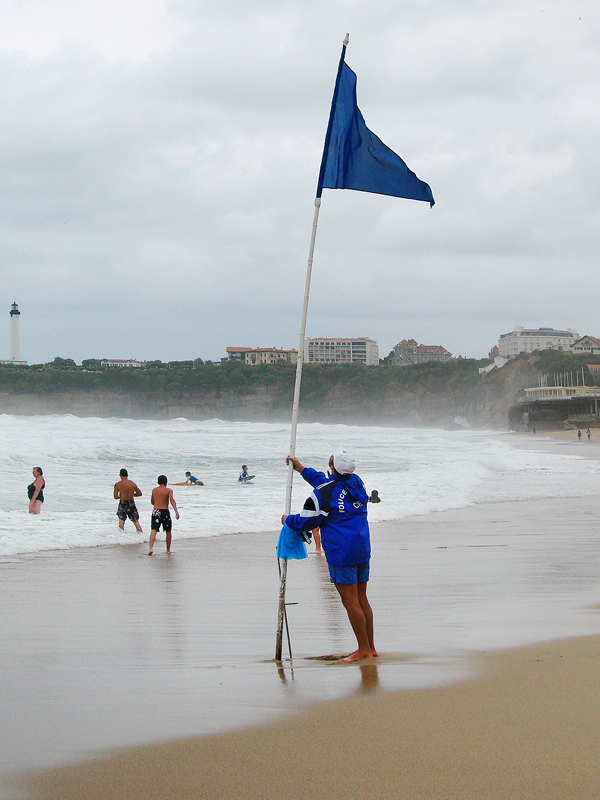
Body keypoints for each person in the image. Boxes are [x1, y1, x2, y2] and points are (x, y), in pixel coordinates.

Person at [282, 447, 376, 662]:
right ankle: (370, 647)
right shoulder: (357, 482)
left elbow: (308, 520)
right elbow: (328, 485)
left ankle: (363, 650)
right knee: (362, 598)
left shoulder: (325, 492)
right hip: (361, 547)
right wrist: (302, 469)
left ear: (331, 466)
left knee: (350, 601)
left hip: (341, 552)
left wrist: (287, 519)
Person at [148, 475, 179, 556]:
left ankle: (151, 548)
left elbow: (152, 501)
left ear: (158, 482)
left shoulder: (154, 490)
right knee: (168, 530)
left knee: (154, 530)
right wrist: (176, 511)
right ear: (166, 482)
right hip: (165, 511)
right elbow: (172, 500)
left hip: (156, 511)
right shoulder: (168, 490)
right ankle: (168, 550)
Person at [113, 468, 143, 533]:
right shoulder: (132, 484)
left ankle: (121, 537)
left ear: (120, 475)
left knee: (121, 522)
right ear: (127, 475)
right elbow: (139, 493)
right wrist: (132, 494)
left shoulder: (118, 484)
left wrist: (120, 496)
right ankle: (141, 536)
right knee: (136, 521)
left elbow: (115, 496)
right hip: (131, 502)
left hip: (123, 502)